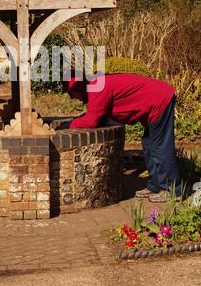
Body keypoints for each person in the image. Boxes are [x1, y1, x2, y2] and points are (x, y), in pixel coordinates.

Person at [63, 72, 181, 202]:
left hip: (159, 100)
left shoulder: (97, 86)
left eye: (70, 93)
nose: (71, 98)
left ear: (77, 88)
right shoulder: (97, 84)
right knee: (149, 145)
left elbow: (92, 120)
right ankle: (155, 185)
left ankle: (172, 190)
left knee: (160, 147)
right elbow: (99, 113)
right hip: (156, 99)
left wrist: (70, 124)